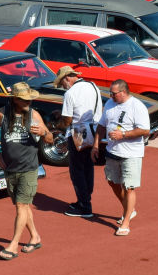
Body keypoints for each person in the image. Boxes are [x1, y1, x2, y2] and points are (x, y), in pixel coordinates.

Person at [0, 82, 51, 260]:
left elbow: (51, 139)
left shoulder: (34, 115)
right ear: (15, 99)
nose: (28, 102)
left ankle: (13, 245)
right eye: (25, 100)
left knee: (21, 206)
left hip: (29, 168)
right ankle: (35, 237)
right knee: (22, 206)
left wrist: (44, 133)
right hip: (10, 168)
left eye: (30, 99)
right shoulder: (2, 114)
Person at [91, 78, 150, 236]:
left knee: (129, 187)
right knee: (112, 182)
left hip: (131, 154)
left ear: (123, 92)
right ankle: (129, 209)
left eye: (114, 93)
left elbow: (145, 130)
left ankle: (126, 222)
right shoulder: (110, 104)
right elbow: (102, 125)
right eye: (110, 93)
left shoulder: (137, 107)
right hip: (112, 151)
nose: (111, 95)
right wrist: (96, 145)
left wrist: (123, 134)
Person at [56, 66, 102, 220]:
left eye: (62, 83)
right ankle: (84, 199)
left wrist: (58, 124)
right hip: (94, 130)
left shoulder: (70, 93)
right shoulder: (93, 86)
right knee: (88, 166)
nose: (63, 86)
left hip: (78, 132)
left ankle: (84, 205)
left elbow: (68, 119)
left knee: (77, 170)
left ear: (66, 78)